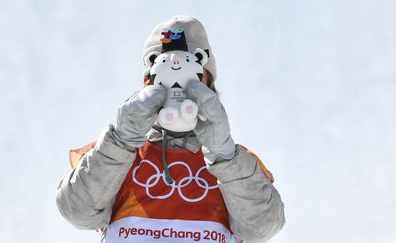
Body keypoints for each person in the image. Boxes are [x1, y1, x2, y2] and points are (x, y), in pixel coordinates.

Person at [56, 16, 285, 243]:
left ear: (208, 83)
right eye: (164, 77)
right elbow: (77, 212)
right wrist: (121, 141)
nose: (178, 85)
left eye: (190, 76)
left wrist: (224, 156)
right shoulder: (113, 151)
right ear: (148, 83)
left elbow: (263, 227)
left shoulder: (235, 162)